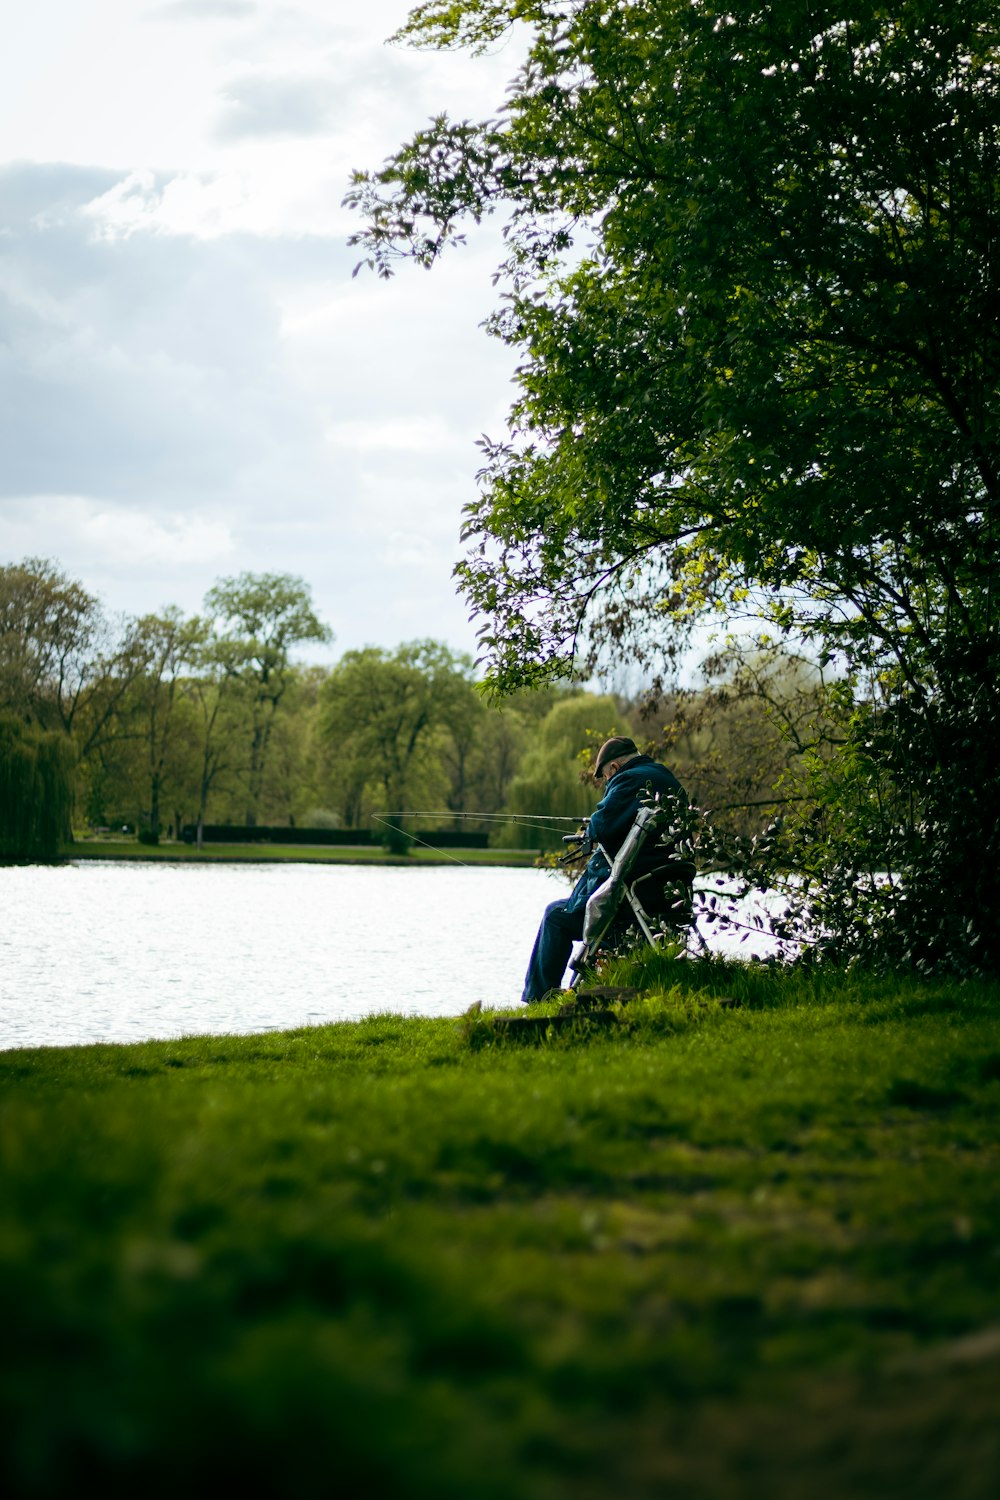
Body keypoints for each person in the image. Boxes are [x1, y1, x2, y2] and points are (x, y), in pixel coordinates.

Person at [521, 736, 686, 1003]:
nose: (607, 784)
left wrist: (591, 829)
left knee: (555, 915)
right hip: (669, 893)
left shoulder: (627, 779)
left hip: (636, 897)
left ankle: (539, 999)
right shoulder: (665, 776)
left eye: (606, 779)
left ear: (613, 768)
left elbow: (602, 824)